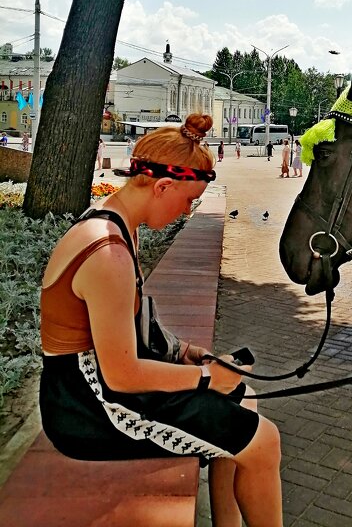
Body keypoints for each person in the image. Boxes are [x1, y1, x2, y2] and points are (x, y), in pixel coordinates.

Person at [39, 113, 282, 527]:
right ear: (163, 185)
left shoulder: (114, 225)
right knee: (263, 441)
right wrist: (205, 379)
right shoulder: (107, 253)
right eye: (188, 201)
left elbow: (130, 324)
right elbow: (121, 375)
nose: (187, 212)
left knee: (247, 402)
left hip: (91, 389)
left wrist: (186, 353)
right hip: (88, 406)